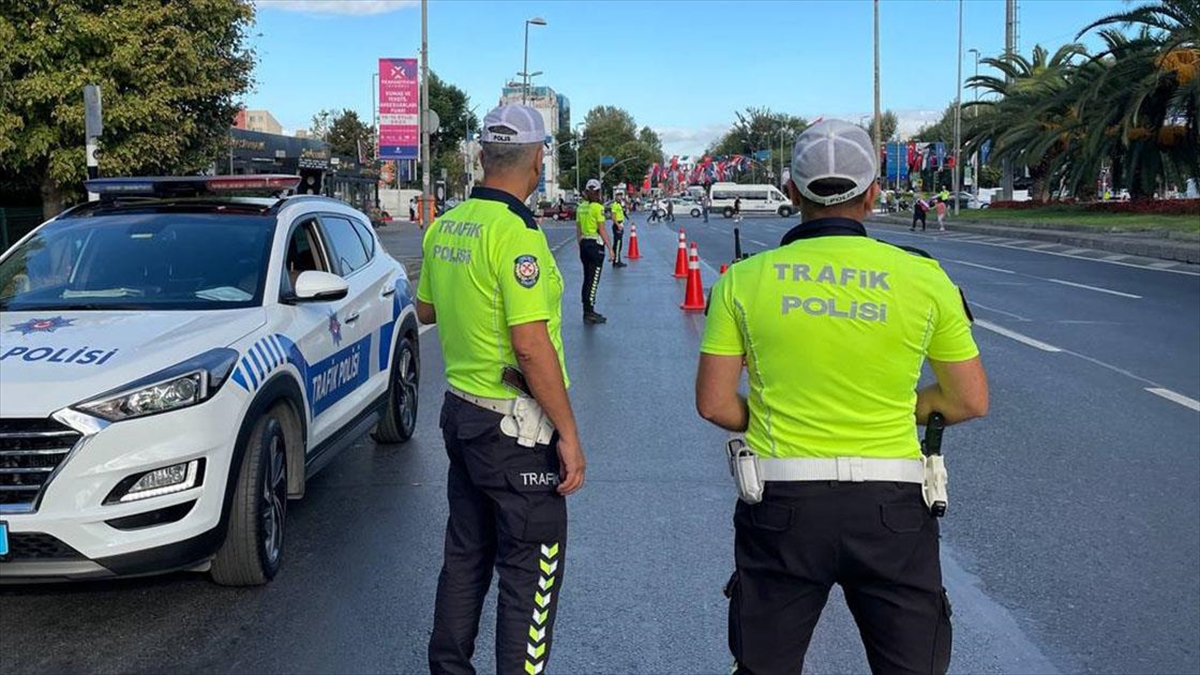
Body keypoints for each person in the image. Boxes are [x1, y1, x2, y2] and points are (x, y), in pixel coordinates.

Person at [696, 119, 988, 675]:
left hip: (781, 504)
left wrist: (788, 412)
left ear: (791, 192)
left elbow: (714, 404)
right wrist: (891, 408)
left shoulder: (743, 279)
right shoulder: (924, 278)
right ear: (874, 193)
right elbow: (969, 400)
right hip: (893, 511)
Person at [417, 103, 587, 675]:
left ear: (482, 156)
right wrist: (568, 433)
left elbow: (426, 309)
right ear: (538, 161)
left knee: (466, 556)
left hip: (461, 414)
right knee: (530, 569)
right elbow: (531, 347)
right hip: (514, 429)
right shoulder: (517, 237)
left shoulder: (446, 226)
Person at [576, 178, 613, 324]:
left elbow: (578, 230)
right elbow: (602, 230)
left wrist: (581, 245)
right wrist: (610, 248)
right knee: (594, 280)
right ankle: (590, 312)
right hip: (595, 245)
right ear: (598, 192)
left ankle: (586, 309)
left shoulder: (581, 208)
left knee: (586, 279)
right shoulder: (598, 208)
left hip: (584, 244)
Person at [611, 196, 628, 268]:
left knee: (618, 244)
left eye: (620, 197)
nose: (620, 198)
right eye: (618, 197)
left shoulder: (619, 205)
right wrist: (618, 225)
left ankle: (617, 260)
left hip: (620, 224)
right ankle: (616, 261)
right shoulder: (615, 205)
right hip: (617, 225)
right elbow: (613, 217)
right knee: (617, 244)